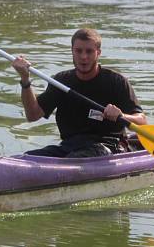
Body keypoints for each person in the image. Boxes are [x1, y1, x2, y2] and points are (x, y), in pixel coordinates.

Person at [11, 28, 147, 158]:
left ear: (98, 53)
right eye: (79, 51)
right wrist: (25, 79)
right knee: (26, 157)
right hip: (69, 146)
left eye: (89, 51)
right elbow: (32, 115)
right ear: (72, 51)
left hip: (108, 146)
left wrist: (122, 115)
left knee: (79, 156)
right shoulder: (61, 81)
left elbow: (142, 122)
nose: (83, 57)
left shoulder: (116, 81)